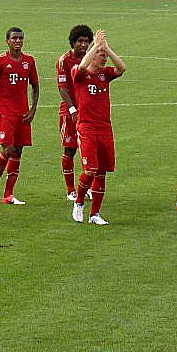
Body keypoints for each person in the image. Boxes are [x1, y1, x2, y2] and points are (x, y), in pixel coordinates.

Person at [69, 29, 126, 225]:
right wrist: (95, 47)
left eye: (104, 56)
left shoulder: (105, 74)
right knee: (90, 170)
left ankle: (95, 214)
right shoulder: (80, 74)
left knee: (101, 172)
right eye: (100, 56)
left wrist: (106, 48)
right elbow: (83, 65)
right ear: (91, 56)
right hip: (86, 128)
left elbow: (122, 67)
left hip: (105, 129)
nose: (104, 59)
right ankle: (79, 202)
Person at [0, 26, 39, 205]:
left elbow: (35, 86)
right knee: (7, 150)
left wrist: (32, 109)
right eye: (14, 38)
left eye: (20, 38)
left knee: (18, 151)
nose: (18, 41)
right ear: (7, 41)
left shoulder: (29, 61)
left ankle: (9, 194)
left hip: (23, 114)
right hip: (6, 112)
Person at [56, 24, 94, 200]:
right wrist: (72, 108)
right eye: (80, 41)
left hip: (89, 111)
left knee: (89, 151)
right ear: (73, 42)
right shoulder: (64, 60)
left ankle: (86, 187)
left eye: (87, 41)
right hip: (70, 110)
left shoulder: (91, 59)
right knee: (70, 149)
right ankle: (71, 189)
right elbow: (62, 88)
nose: (84, 45)